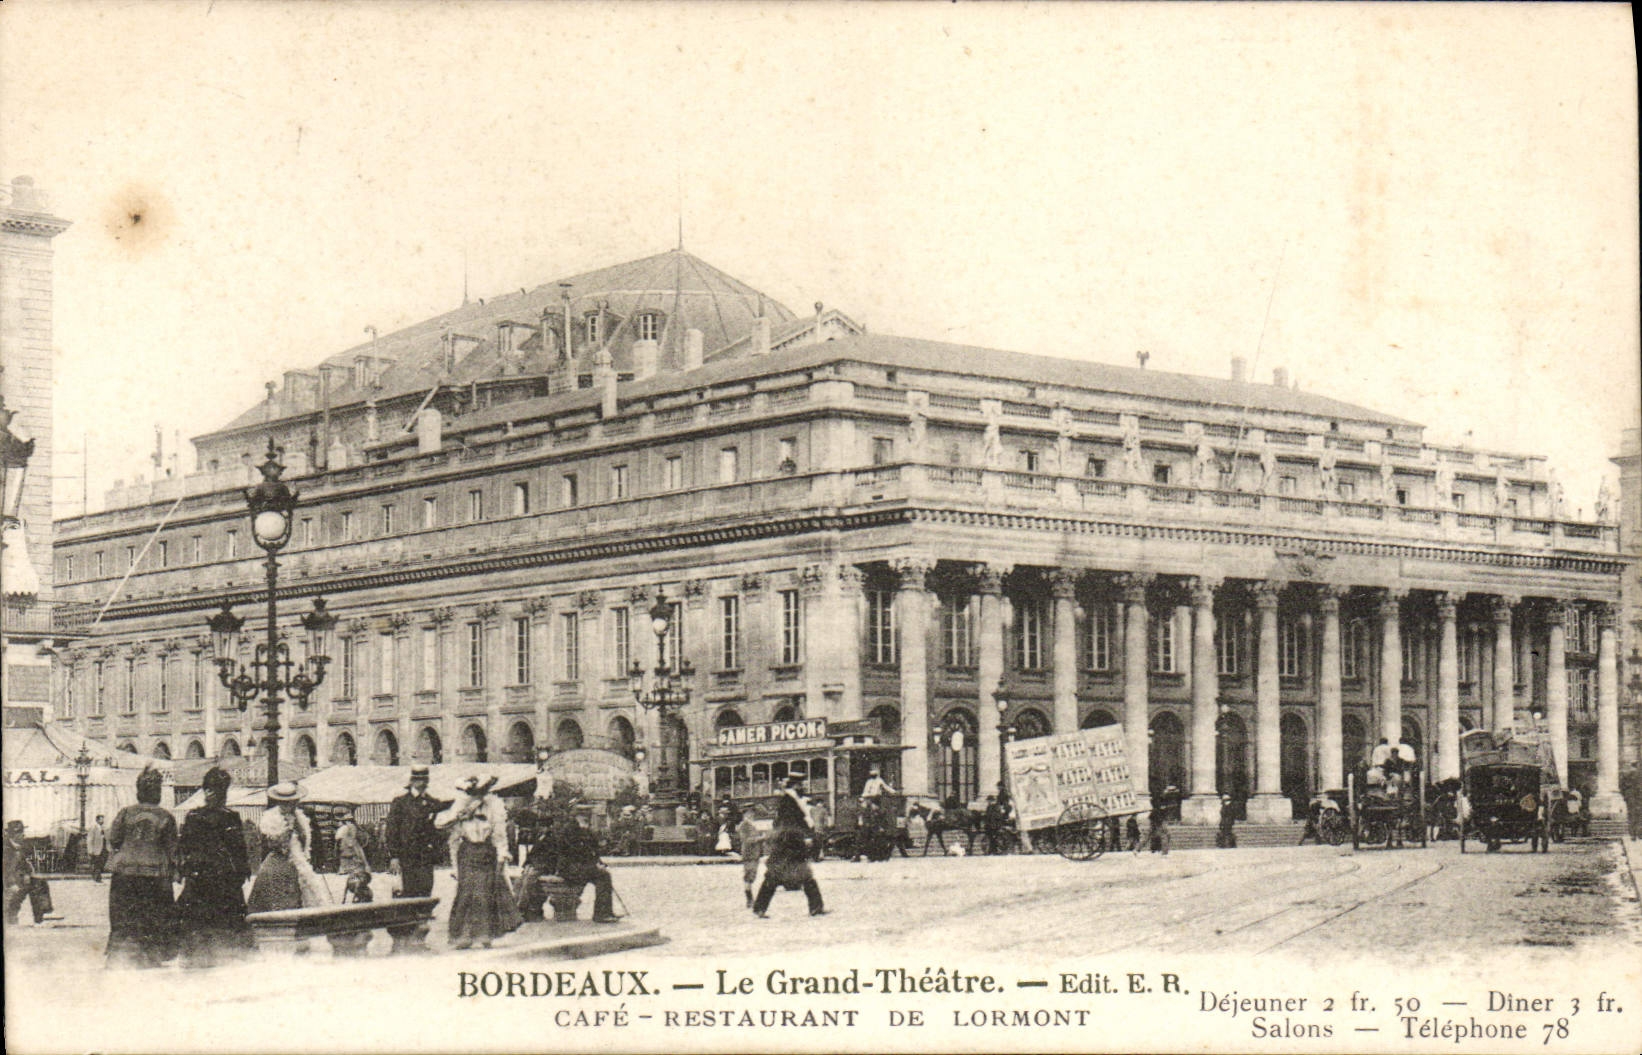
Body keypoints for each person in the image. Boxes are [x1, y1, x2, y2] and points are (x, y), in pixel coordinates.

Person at [174, 766, 254, 968]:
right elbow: (238, 849)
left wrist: (186, 870)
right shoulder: (230, 817)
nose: (221, 796)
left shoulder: (193, 817)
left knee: (196, 926)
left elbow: (184, 847)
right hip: (224, 882)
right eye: (220, 791)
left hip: (200, 880)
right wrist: (242, 871)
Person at [437, 776, 522, 948]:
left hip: (486, 851)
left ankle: (485, 934)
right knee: (466, 892)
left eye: (480, 793)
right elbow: (446, 830)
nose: (477, 796)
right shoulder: (460, 805)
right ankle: (462, 935)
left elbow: (499, 835)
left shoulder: (493, 806)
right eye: (473, 793)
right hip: (467, 851)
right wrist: (460, 815)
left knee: (484, 892)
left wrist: (501, 858)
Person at [105, 767, 178, 967]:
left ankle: (121, 955)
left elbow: (114, 838)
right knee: (154, 915)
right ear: (158, 792)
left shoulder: (126, 812)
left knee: (124, 915)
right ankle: (151, 955)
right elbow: (172, 848)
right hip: (155, 873)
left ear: (138, 790)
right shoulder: (166, 817)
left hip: (124, 871)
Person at [385, 764, 444, 952]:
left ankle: (420, 937)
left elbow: (438, 829)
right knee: (407, 895)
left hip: (425, 858)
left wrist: (437, 848)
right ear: (411, 781)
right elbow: (392, 830)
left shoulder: (433, 802)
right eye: (418, 779)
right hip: (406, 857)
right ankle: (405, 936)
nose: (421, 783)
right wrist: (394, 856)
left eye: (424, 779)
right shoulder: (400, 803)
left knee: (425, 893)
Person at [248, 781, 331, 913]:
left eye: (293, 801)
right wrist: (289, 828)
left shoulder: (300, 816)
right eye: (285, 802)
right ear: (278, 802)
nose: (290, 805)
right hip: (278, 865)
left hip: (300, 862)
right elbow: (277, 846)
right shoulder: (270, 818)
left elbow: (306, 841)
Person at [753, 776, 825, 918]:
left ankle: (760, 907)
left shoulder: (789, 800)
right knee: (804, 875)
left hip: (784, 845)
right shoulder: (790, 802)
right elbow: (793, 823)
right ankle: (816, 907)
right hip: (791, 844)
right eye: (802, 785)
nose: (804, 788)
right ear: (796, 786)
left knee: (774, 877)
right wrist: (806, 836)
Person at [548, 812, 620, 923]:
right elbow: (576, 852)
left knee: (603, 874)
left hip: (578, 867)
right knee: (603, 876)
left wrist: (598, 863)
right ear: (578, 817)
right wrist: (593, 864)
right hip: (571, 868)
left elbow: (592, 850)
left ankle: (605, 912)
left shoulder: (584, 830)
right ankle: (602, 914)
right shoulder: (570, 829)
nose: (588, 819)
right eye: (585, 817)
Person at [5, 820, 59, 926]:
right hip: (8, 880)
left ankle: (41, 915)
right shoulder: (6, 848)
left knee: (40, 883)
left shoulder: (20, 847)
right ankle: (12, 916)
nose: (23, 834)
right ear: (13, 834)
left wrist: (27, 874)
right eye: (20, 832)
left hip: (18, 878)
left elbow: (24, 864)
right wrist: (11, 883)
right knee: (24, 888)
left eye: (22, 832)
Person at [334, 807, 372, 904]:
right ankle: (359, 894)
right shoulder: (350, 829)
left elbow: (342, 842)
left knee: (356, 874)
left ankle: (359, 894)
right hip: (351, 855)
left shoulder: (345, 829)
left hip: (350, 855)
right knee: (357, 874)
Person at [736, 806, 765, 907]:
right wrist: (759, 838)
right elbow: (746, 840)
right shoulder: (744, 825)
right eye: (748, 813)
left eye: (752, 813)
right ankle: (749, 899)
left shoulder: (752, 825)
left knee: (752, 875)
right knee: (749, 876)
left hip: (754, 853)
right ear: (744, 815)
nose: (751, 815)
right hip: (749, 853)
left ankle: (750, 899)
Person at [87, 815, 108, 882]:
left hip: (104, 849)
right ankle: (97, 878)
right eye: (101, 819)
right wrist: (90, 850)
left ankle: (97, 876)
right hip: (96, 849)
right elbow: (90, 839)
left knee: (102, 863)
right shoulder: (94, 828)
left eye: (103, 819)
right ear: (97, 820)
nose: (102, 821)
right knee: (97, 863)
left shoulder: (104, 828)